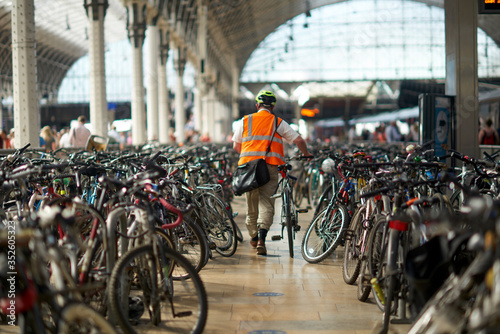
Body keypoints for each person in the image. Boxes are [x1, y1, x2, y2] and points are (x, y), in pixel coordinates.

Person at [232, 90, 312, 256]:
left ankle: (253, 237)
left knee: (251, 205)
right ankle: (262, 238)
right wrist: (306, 154)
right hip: (269, 167)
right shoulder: (277, 122)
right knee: (267, 204)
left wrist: (248, 155)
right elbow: (299, 140)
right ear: (273, 106)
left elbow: (236, 146)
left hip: (248, 168)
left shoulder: (245, 121)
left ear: (257, 105)